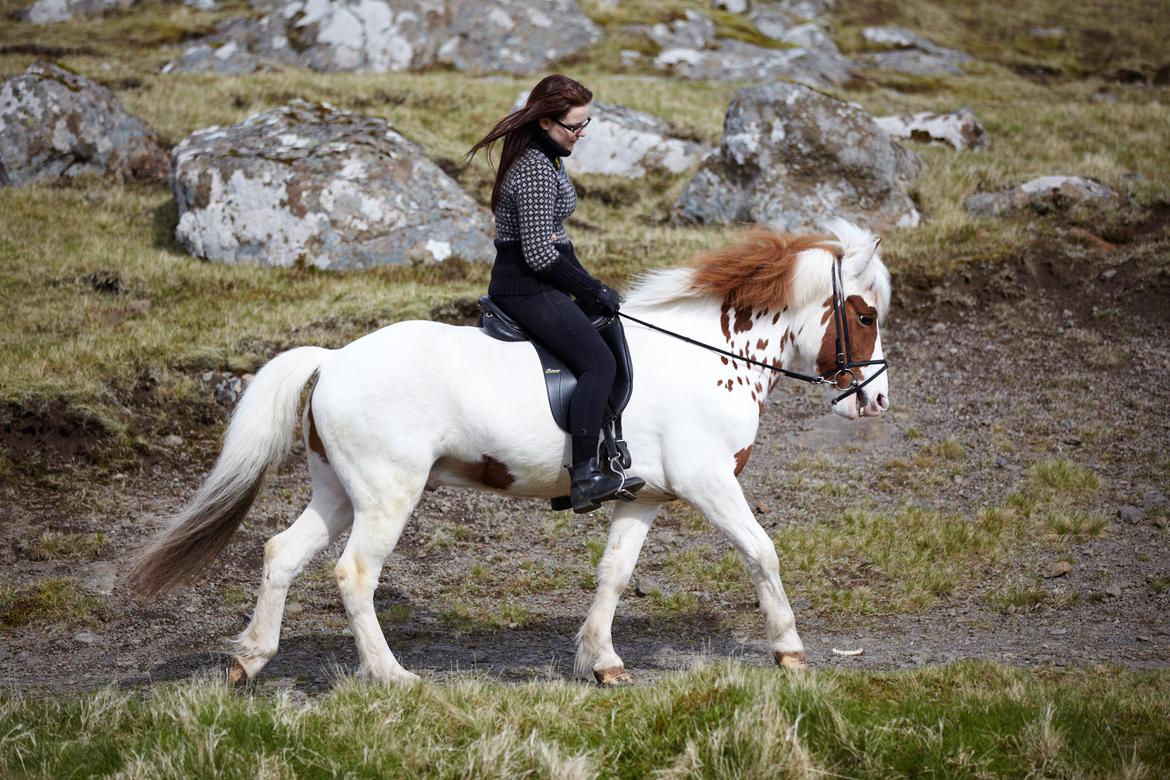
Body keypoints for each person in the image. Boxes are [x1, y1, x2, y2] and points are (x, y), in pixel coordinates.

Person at [465, 74, 643, 513]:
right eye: (573, 127)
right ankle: (582, 477)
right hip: (525, 288)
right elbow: (541, 255)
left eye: (586, 125)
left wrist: (587, 287)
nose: (580, 135)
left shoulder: (550, 157)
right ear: (545, 122)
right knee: (598, 363)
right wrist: (591, 288)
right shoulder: (534, 169)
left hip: (540, 281)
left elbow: (555, 240)